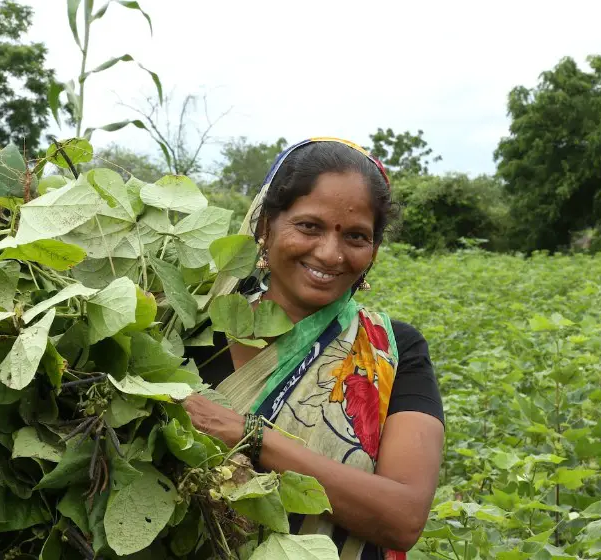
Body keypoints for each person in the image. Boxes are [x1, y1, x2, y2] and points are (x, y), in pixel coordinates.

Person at [182, 137, 445, 559]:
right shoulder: (188, 333)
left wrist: (250, 437)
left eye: (357, 236)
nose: (329, 253)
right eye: (309, 226)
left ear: (374, 250)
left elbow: (404, 516)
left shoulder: (393, 351)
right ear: (266, 227)